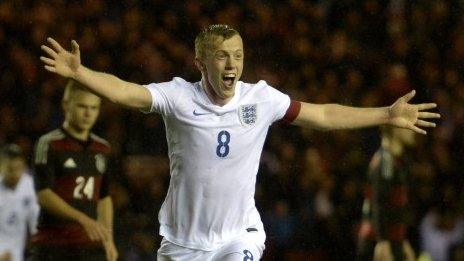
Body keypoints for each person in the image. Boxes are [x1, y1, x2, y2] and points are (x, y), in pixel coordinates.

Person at [39, 24, 440, 260]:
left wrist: (385, 115)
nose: (232, 65)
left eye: (238, 55)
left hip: (240, 235)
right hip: (184, 242)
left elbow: (323, 115)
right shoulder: (178, 97)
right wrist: (81, 74)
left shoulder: (260, 98)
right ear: (201, 63)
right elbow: (124, 92)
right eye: (221, 57)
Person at [30, 81, 117, 261]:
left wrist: (108, 238)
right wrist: (83, 219)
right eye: (82, 106)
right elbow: (44, 194)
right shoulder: (49, 144)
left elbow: (104, 197)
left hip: (89, 246)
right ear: (65, 105)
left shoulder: (103, 148)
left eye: (93, 108)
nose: (88, 114)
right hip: (52, 244)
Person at [357, 126, 416, 261]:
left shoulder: (391, 159)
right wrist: (382, 241)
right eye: (409, 126)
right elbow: (379, 202)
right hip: (380, 242)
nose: (413, 130)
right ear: (396, 129)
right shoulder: (386, 160)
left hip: (389, 239)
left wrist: (402, 241)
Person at [0, 144, 40, 261]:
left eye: (18, 168)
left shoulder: (31, 186)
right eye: (10, 169)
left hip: (18, 253)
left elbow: (35, 226)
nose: (14, 174)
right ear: (1, 166)